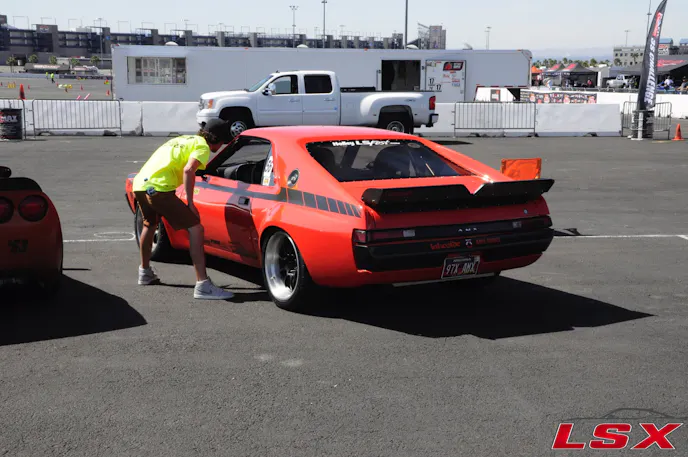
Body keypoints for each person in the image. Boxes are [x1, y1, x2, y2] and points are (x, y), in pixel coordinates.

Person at [132, 119, 235, 300]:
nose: (221, 147)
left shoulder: (182, 140)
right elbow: (189, 170)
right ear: (216, 140)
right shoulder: (202, 147)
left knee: (149, 224)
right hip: (159, 189)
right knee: (196, 228)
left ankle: (145, 272)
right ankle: (203, 285)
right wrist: (190, 203)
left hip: (140, 185)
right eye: (222, 143)